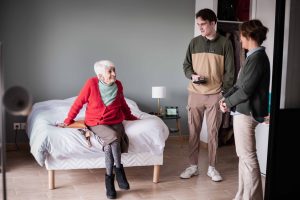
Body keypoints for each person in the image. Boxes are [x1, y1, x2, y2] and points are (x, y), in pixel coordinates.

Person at [57, 60, 138, 199]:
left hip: (116, 121)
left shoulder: (118, 85)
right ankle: (117, 173)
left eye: (114, 70)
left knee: (109, 145)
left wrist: (131, 117)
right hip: (96, 122)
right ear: (100, 76)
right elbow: (78, 102)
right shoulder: (91, 84)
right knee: (113, 137)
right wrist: (68, 120)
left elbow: (123, 103)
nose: (114, 73)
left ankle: (111, 179)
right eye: (110, 71)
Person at [180, 8, 235, 182]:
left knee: (212, 133)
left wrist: (223, 92)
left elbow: (230, 72)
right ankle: (193, 166)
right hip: (195, 93)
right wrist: (192, 76)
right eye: (198, 24)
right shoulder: (194, 42)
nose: (200, 27)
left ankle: (212, 167)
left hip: (215, 95)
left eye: (203, 24)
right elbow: (186, 65)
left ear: (213, 23)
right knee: (193, 132)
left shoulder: (226, 43)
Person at [219, 19, 270, 200]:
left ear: (249, 36)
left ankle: (252, 198)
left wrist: (228, 102)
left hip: (246, 114)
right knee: (244, 158)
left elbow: (246, 90)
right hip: (242, 111)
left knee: (248, 159)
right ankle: (242, 195)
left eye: (241, 35)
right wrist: (225, 99)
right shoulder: (252, 57)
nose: (240, 39)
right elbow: (240, 85)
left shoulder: (257, 59)